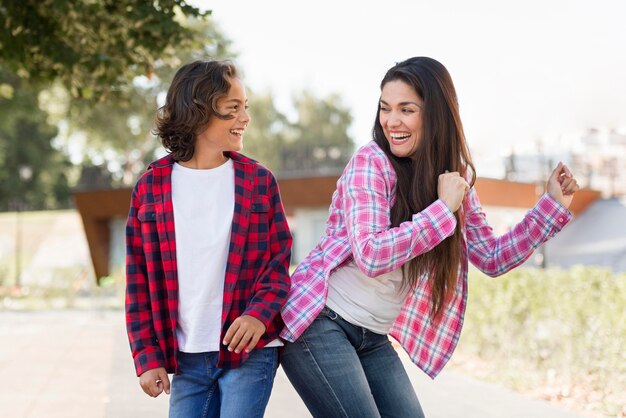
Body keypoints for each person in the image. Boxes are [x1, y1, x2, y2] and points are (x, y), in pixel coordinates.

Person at [279, 56, 579, 418]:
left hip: (373, 337)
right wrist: (442, 209)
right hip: (321, 323)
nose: (392, 121)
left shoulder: (455, 176)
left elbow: (491, 256)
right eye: (385, 109)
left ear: (435, 113)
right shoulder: (371, 163)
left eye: (407, 109)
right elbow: (371, 254)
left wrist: (550, 207)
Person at [125, 59, 292, 418]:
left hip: (249, 351)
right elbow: (137, 281)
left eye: (245, 108)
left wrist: (258, 316)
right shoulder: (150, 188)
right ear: (198, 112)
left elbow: (278, 266)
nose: (244, 118)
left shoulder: (259, 183)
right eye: (233, 109)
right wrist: (145, 356)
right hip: (185, 358)